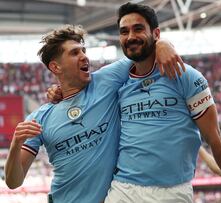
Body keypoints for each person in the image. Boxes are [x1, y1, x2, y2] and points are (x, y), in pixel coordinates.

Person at [4, 24, 185, 203]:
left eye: (83, 50)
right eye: (75, 53)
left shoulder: (106, 81)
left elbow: (143, 51)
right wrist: (15, 144)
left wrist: (162, 43)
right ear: (56, 67)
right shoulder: (40, 118)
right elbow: (14, 182)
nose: (84, 57)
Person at [104, 2, 221, 203]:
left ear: (156, 34)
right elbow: (81, 85)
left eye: (138, 29)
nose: (130, 37)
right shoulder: (117, 81)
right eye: (124, 31)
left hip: (173, 192)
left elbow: (214, 138)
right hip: (123, 189)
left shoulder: (186, 76)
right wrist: (58, 91)